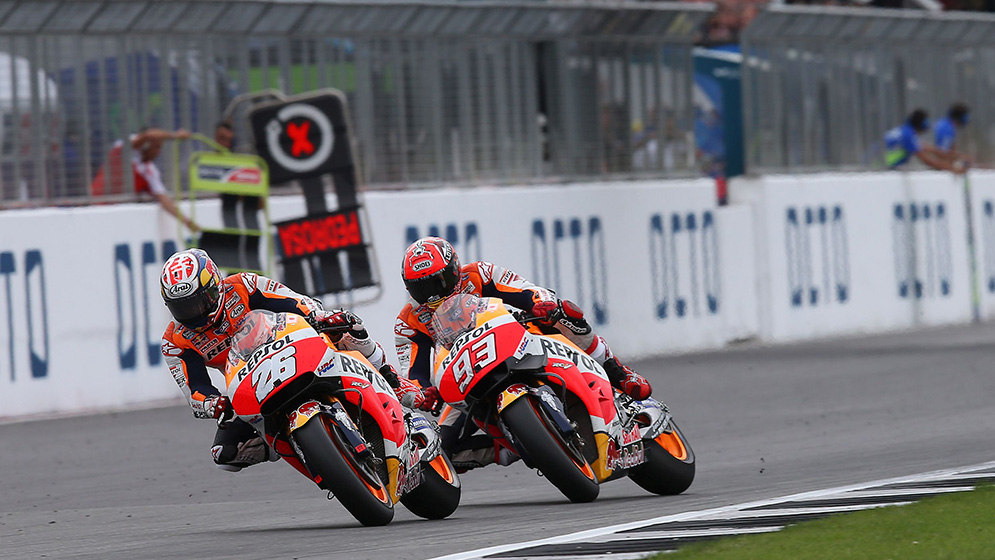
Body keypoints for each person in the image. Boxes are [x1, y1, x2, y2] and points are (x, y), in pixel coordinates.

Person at [394, 236, 654, 471]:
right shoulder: (408, 322)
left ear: (454, 270)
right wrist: (422, 393)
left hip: (515, 339)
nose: (433, 294)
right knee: (440, 449)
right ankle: (514, 446)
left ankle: (618, 372)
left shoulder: (479, 274)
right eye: (422, 288)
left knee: (565, 316)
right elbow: (413, 373)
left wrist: (542, 303)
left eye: (438, 282)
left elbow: (525, 289)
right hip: (468, 376)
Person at [160, 248, 426, 473]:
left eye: (198, 302)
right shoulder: (175, 341)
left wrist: (318, 316)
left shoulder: (243, 286)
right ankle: (302, 449)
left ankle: (390, 379)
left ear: (215, 286)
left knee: (348, 328)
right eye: (181, 307)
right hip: (252, 383)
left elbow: (293, 301)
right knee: (224, 454)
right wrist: (213, 403)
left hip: (292, 347)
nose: (193, 314)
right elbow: (195, 391)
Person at [91, 127, 199, 231]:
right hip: (94, 205)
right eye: (157, 147)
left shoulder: (150, 171)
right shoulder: (124, 147)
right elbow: (148, 135)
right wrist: (175, 136)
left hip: (114, 215)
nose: (159, 152)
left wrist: (187, 222)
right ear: (146, 145)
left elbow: (163, 198)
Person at [884, 109, 966, 174]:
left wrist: (956, 156)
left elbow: (928, 148)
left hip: (886, 165)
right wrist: (952, 169)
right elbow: (926, 160)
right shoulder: (908, 135)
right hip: (890, 167)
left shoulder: (904, 130)